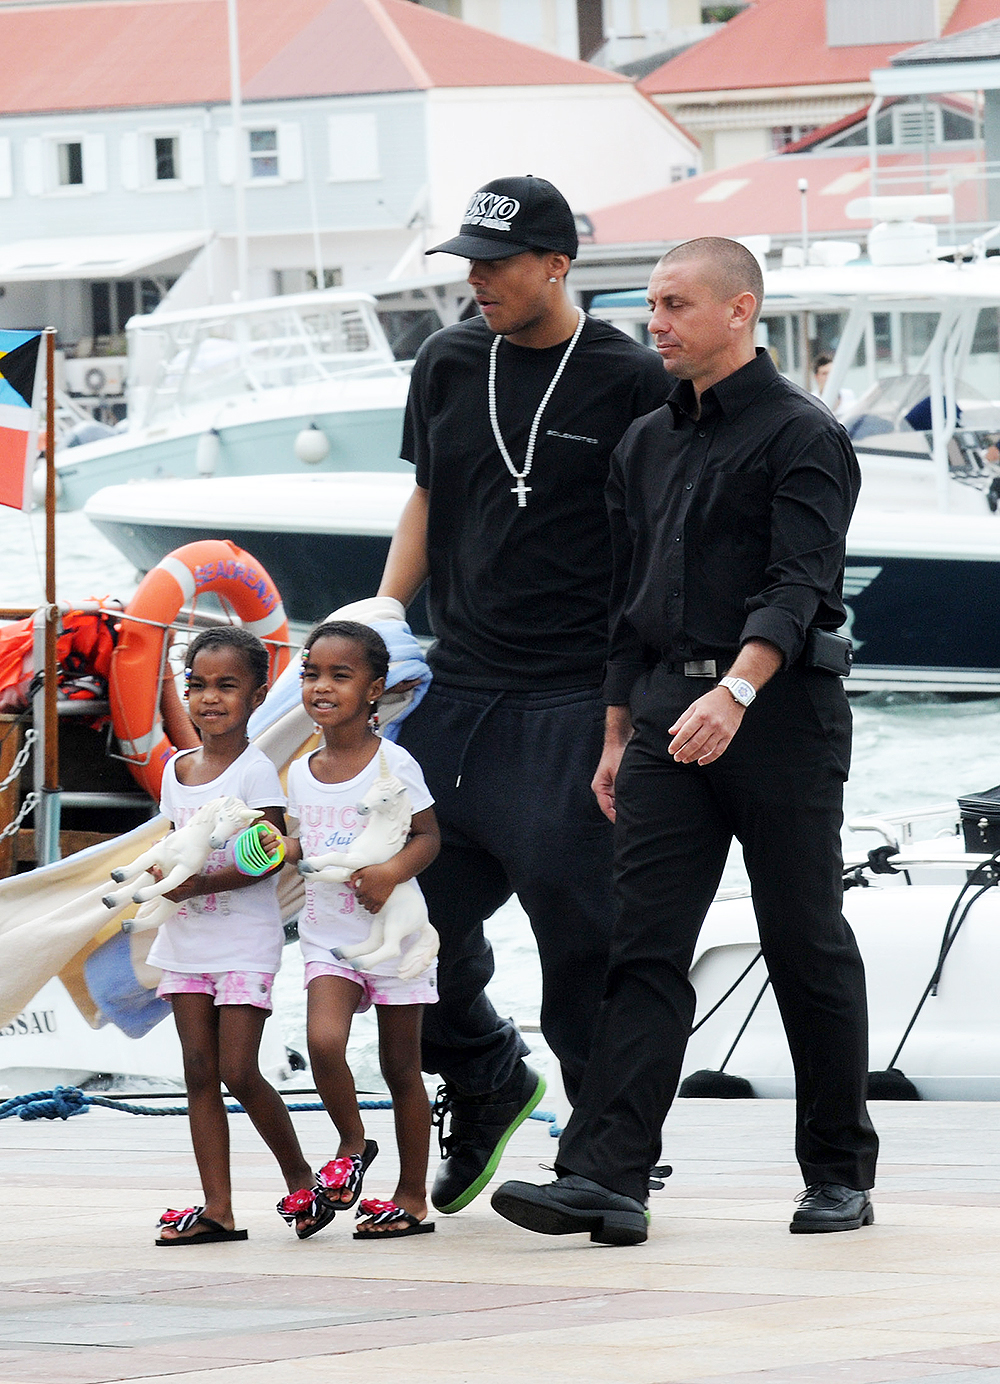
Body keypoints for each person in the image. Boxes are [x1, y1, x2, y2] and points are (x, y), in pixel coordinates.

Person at [492, 236, 879, 1246]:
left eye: (672, 304)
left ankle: (837, 1171)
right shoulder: (645, 443)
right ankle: (610, 1178)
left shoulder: (803, 435)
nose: (653, 321)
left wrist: (740, 692)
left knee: (805, 941)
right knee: (644, 944)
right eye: (650, 304)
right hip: (667, 714)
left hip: (780, 716)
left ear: (738, 310)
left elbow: (800, 586)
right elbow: (631, 606)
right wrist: (619, 732)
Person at [377, 175, 673, 1215]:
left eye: (495, 263)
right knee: (402, 927)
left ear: (556, 263)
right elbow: (425, 497)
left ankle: (608, 1168)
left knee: (584, 949)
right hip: (454, 692)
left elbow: (656, 542)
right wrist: (380, 617)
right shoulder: (449, 359)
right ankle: (488, 1075)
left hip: (567, 700)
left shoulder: (634, 378)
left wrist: (629, 699)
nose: (477, 279)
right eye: (468, 261)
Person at [271, 621, 440, 1239]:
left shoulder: (394, 763)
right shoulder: (301, 771)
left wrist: (389, 873)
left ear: (374, 689)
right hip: (326, 933)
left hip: (395, 935)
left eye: (340, 676)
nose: (322, 686)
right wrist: (275, 846)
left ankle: (412, 1196)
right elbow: (307, 842)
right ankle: (352, 1141)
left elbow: (427, 836)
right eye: (312, 673)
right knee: (322, 1043)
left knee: (402, 1068)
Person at [150, 626, 315, 1245]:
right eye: (196, 685)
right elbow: (174, 843)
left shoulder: (254, 775)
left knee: (238, 1070)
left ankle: (299, 1176)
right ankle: (217, 1209)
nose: (209, 698)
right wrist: (163, 881)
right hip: (186, 944)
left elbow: (268, 857)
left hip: (244, 943)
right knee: (198, 1073)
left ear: (256, 695)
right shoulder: (176, 770)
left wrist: (196, 883)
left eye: (227, 686)